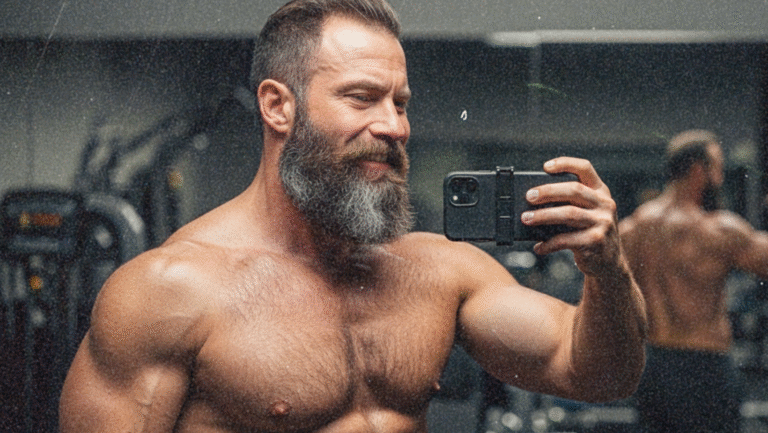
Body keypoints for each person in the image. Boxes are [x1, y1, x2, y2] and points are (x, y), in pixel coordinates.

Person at [59, 0, 646, 431]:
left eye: (400, 103)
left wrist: (608, 270)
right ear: (277, 106)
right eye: (362, 98)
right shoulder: (170, 291)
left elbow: (594, 373)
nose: (394, 126)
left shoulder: (439, 272)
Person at [619, 129, 768, 432]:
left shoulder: (631, 229)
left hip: (654, 366)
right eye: (718, 168)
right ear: (699, 170)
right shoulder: (718, 230)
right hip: (706, 366)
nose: (721, 177)